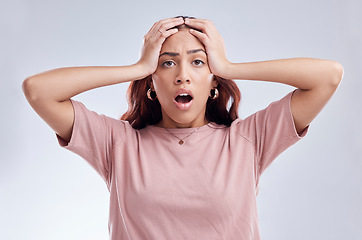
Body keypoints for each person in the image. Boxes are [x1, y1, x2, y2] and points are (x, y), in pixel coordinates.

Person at [22, 16, 343, 239]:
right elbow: (39, 90)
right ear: (152, 82)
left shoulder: (247, 140)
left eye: (198, 61)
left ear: (213, 82)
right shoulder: (117, 144)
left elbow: (328, 76)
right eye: (167, 62)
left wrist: (230, 66)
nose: (183, 75)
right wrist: (136, 67)